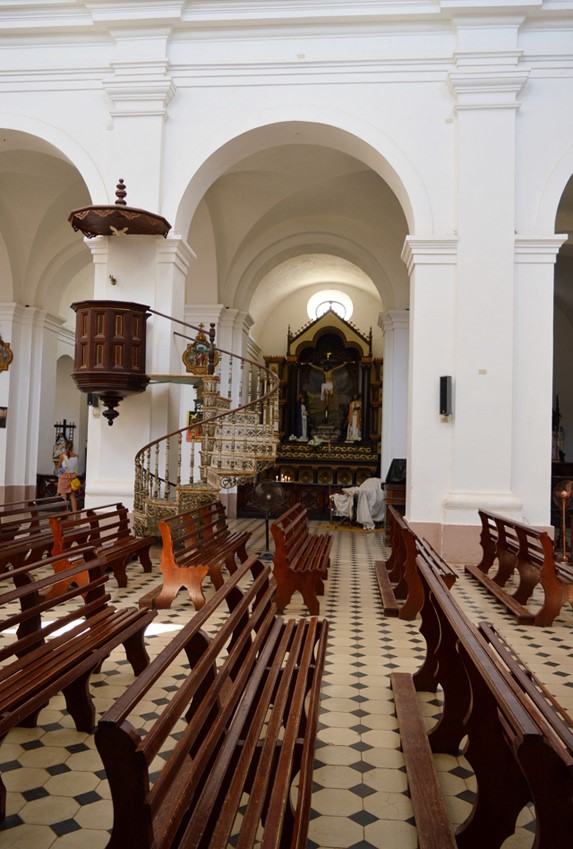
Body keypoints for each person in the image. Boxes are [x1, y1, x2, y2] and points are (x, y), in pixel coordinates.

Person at [56, 440, 80, 511]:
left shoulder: (62, 456)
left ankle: (64, 514)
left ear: (65, 447)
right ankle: (74, 516)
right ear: (72, 447)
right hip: (72, 477)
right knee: (72, 497)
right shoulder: (76, 456)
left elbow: (59, 467)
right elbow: (74, 467)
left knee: (63, 497)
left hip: (63, 477)